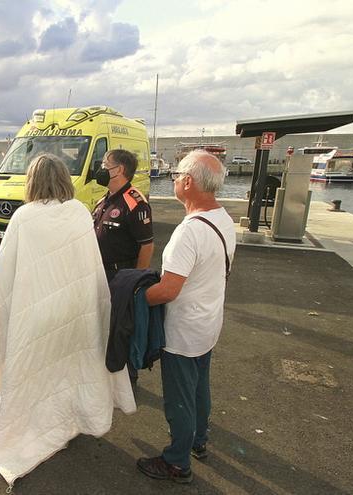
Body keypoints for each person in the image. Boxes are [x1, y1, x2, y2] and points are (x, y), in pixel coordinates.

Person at [0, 154, 136, 488]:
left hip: (37, 312)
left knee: (39, 374)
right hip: (75, 309)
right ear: (65, 178)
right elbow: (90, 265)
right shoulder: (79, 213)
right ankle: (69, 423)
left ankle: (45, 432)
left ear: (32, 180)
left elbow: (6, 274)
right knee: (70, 369)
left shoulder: (24, 217)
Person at [136, 150, 235, 484]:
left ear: (189, 182)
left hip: (183, 330)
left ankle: (177, 462)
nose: (175, 180)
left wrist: (132, 298)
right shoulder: (223, 218)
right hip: (208, 324)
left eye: (177, 175)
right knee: (199, 389)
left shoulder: (189, 232)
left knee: (179, 398)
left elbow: (167, 291)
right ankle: (199, 441)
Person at [91, 149, 154, 282]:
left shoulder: (134, 203)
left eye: (105, 165)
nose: (100, 169)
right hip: (101, 274)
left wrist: (136, 281)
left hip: (121, 277)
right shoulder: (104, 200)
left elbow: (147, 246)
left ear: (119, 169)